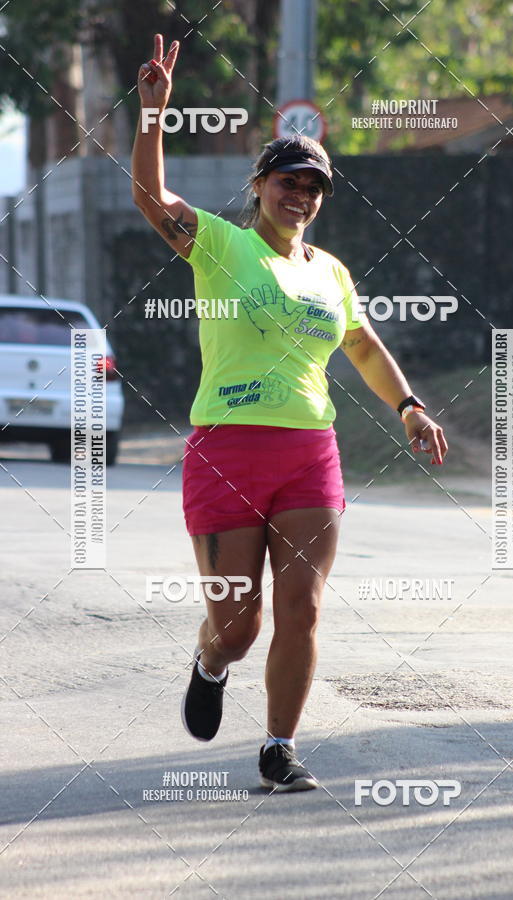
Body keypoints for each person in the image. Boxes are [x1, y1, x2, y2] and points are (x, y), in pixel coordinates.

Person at [132, 35, 448, 792]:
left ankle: (280, 747)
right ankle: (211, 661)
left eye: (314, 187)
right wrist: (153, 115)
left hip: (309, 453)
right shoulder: (220, 246)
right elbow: (150, 196)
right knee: (238, 626)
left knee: (301, 611)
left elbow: (362, 344)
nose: (300, 195)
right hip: (226, 453)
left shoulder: (331, 273)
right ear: (261, 186)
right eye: (288, 181)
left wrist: (408, 405)